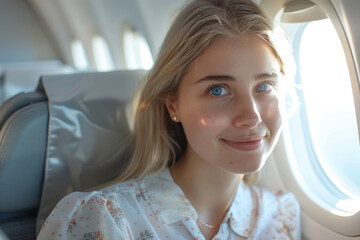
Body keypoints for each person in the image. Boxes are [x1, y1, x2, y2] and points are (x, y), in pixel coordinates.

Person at [37, 0, 300, 239]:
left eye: (264, 86)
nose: (250, 117)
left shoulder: (280, 217)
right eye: (218, 90)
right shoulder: (103, 219)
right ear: (173, 104)